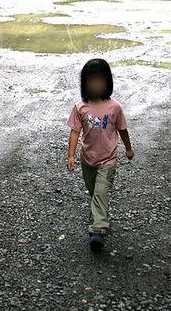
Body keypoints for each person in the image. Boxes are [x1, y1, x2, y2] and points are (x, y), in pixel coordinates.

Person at [65, 58, 134, 252]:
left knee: (101, 192)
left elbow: (122, 129)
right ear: (85, 84)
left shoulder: (115, 107)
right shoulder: (80, 107)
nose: (96, 85)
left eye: (100, 80)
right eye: (91, 81)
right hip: (87, 158)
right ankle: (99, 212)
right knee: (93, 189)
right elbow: (74, 132)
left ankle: (98, 229)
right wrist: (71, 156)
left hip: (108, 159)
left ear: (108, 82)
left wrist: (128, 148)